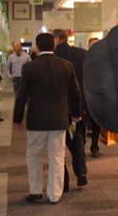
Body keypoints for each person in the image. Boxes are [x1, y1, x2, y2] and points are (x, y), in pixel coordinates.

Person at [13, 33, 81, 204]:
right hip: (59, 119)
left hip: (36, 120)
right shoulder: (67, 66)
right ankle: (55, 194)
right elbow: (75, 92)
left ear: (37, 47)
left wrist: (17, 118)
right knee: (57, 156)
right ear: (54, 45)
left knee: (34, 156)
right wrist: (76, 114)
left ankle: (35, 191)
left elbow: (21, 96)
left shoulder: (29, 68)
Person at [52, 29, 88, 188]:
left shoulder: (52, 58)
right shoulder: (82, 53)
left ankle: (64, 181)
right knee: (77, 139)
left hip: (58, 108)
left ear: (56, 39)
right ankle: (81, 173)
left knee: (58, 146)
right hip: (79, 106)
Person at [86, 37, 102, 158]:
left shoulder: (103, 59)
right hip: (84, 95)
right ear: (88, 46)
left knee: (96, 125)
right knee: (81, 124)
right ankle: (80, 147)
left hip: (97, 97)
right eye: (92, 45)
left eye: (97, 44)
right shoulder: (83, 58)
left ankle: (94, 147)